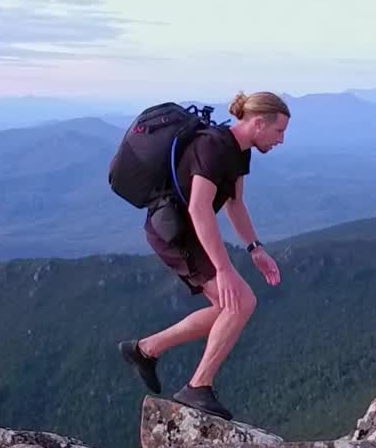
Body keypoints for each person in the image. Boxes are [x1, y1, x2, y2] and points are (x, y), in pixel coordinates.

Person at [118, 90, 290, 419]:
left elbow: (234, 204)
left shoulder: (240, 152)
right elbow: (199, 208)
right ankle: (197, 388)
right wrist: (223, 269)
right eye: (279, 131)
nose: (281, 140)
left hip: (189, 232)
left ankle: (145, 350)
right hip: (176, 234)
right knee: (240, 302)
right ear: (257, 123)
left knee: (234, 305)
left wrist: (256, 249)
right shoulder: (214, 147)